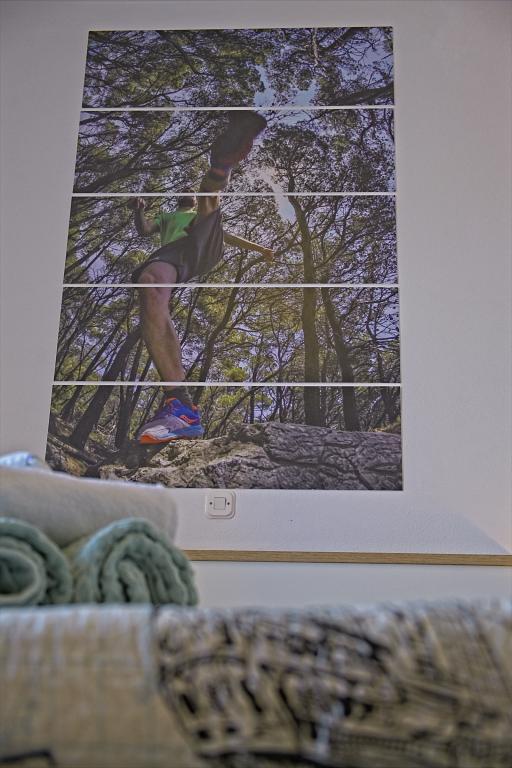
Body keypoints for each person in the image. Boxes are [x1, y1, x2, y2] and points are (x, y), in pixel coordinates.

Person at [129, 111, 273, 445]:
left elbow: (228, 236)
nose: (186, 193)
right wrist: (138, 210)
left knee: (210, 197)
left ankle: (221, 164)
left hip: (203, 240)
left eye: (189, 193)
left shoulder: (198, 210)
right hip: (175, 254)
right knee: (148, 284)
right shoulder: (167, 217)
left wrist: (261, 248)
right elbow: (144, 230)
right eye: (184, 192)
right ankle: (181, 408)